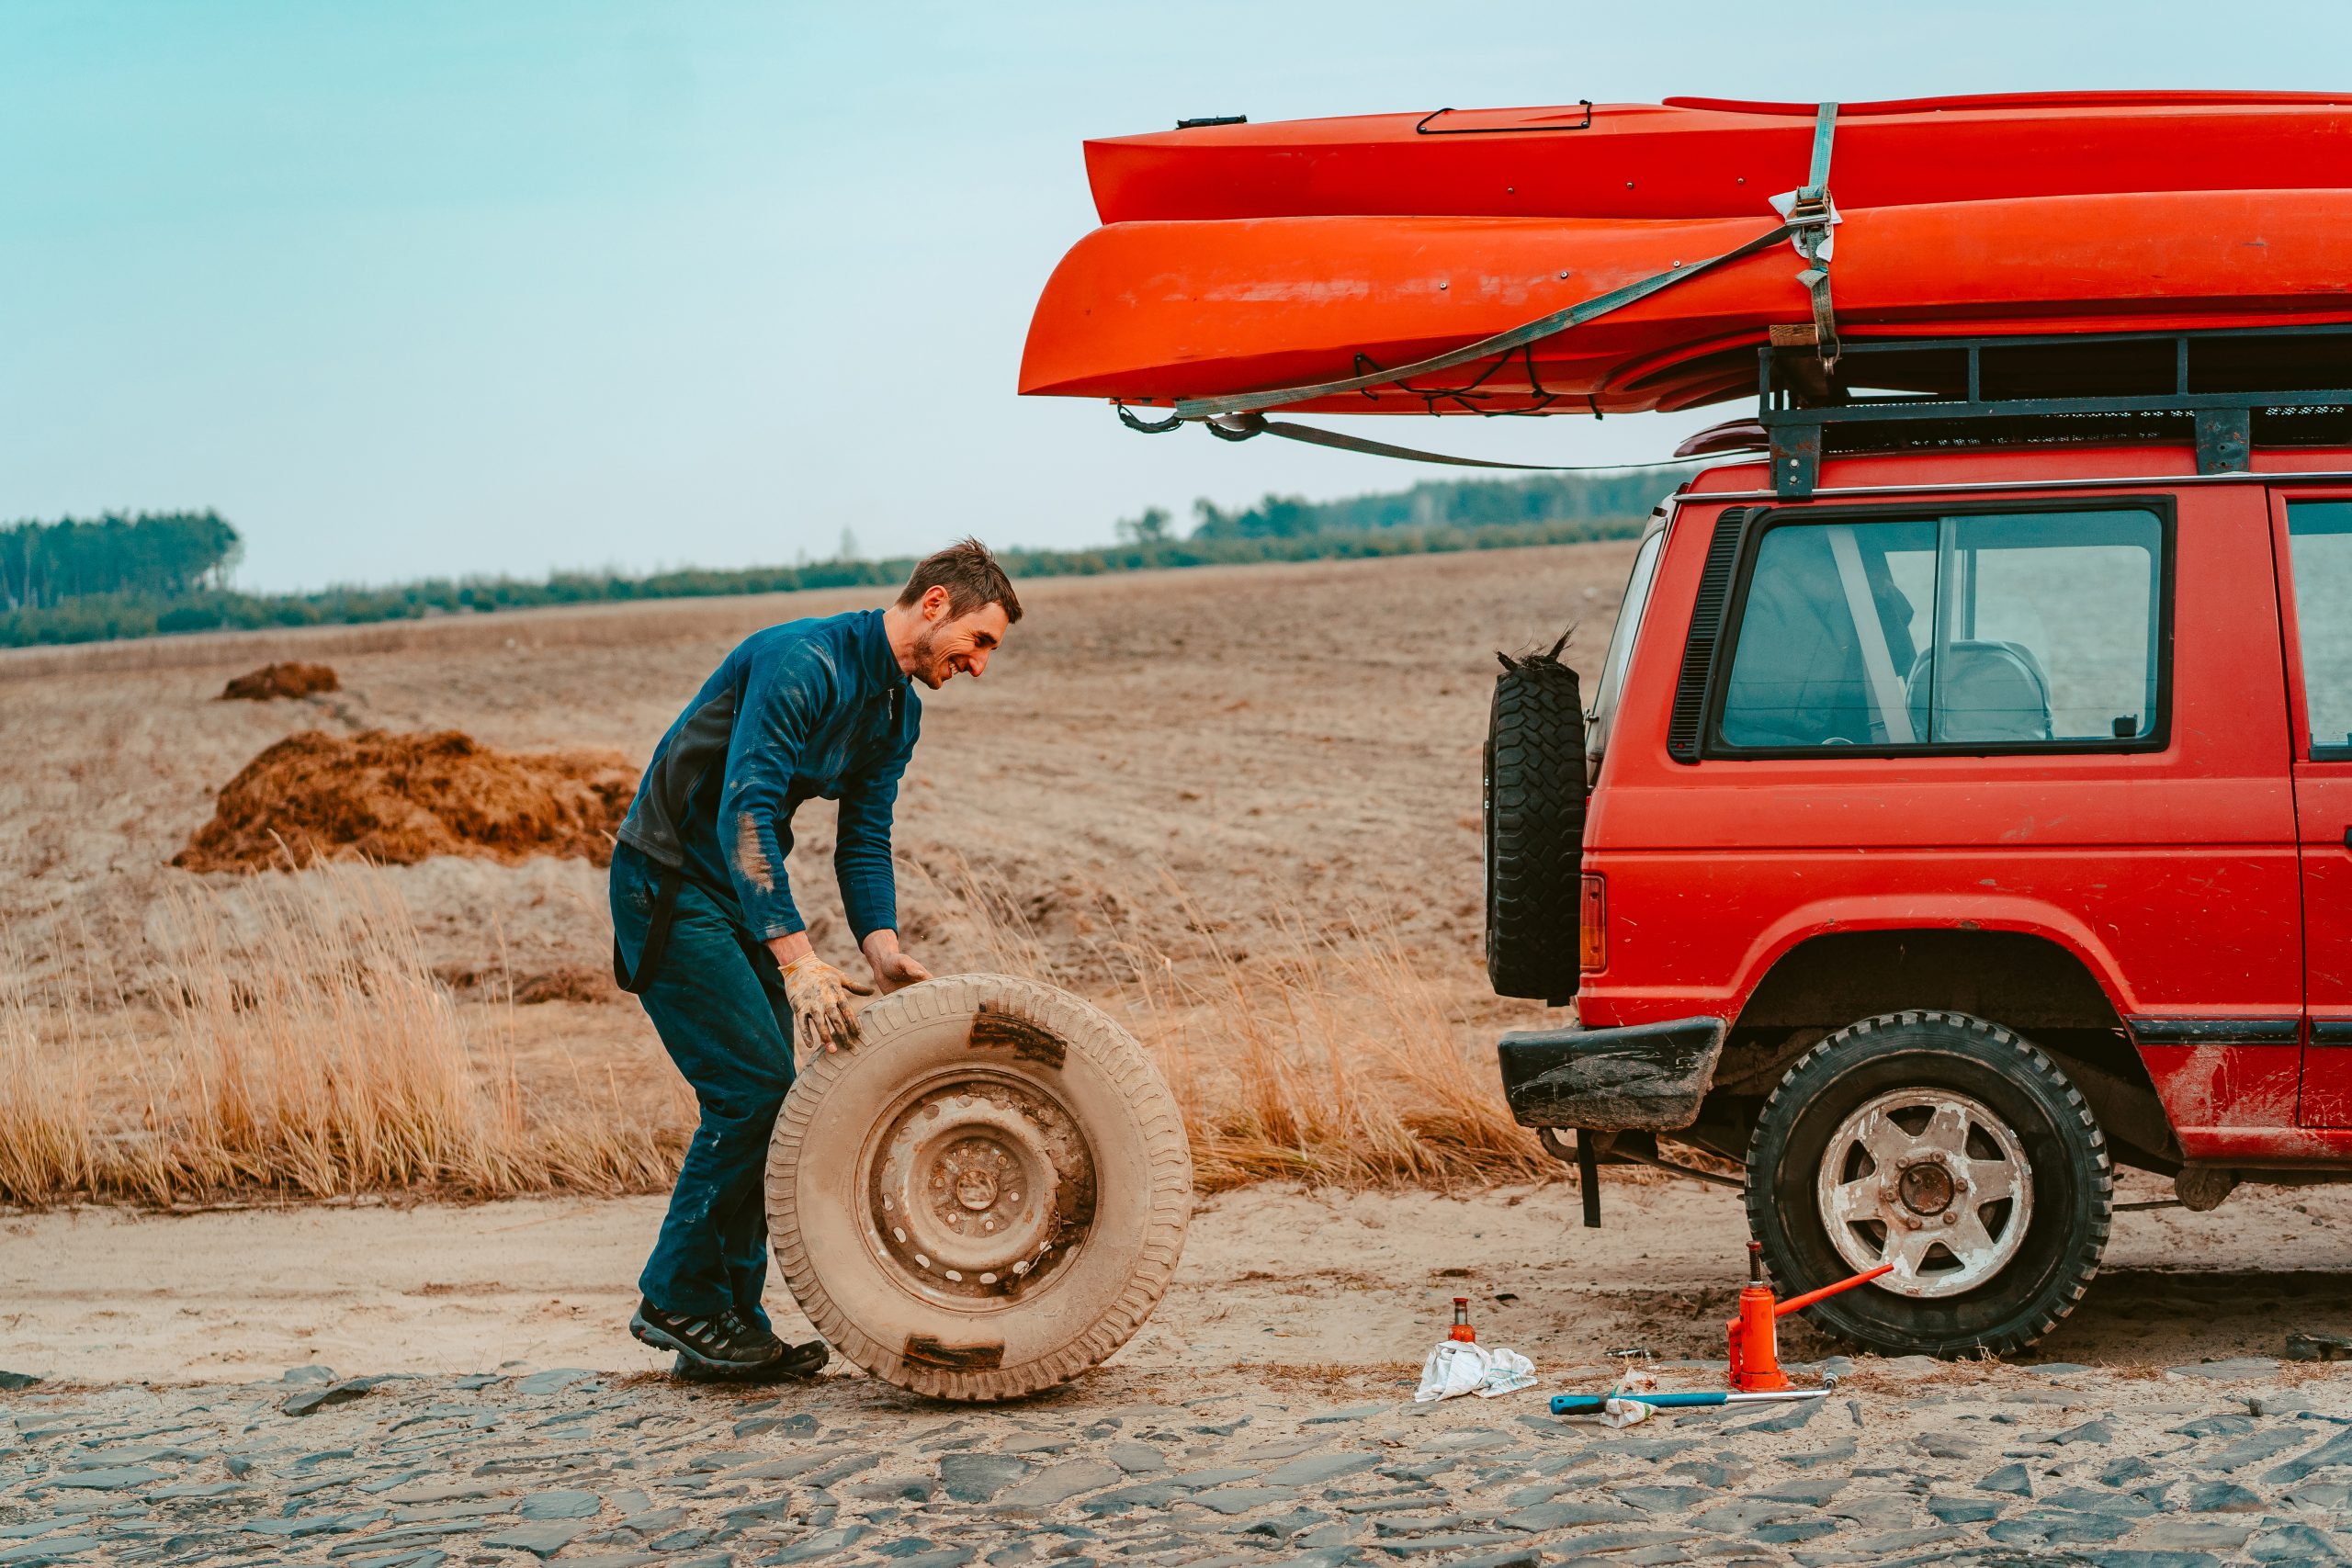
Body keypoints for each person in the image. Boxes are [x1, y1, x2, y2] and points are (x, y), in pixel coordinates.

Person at [607, 538, 1023, 1379]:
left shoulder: (896, 713)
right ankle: (677, 1297)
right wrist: (798, 958)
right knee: (752, 1090)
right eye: (979, 642)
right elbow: (747, 811)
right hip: (670, 883)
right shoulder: (803, 661)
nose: (979, 665)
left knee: (780, 1098)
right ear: (935, 604)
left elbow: (864, 838)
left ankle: (729, 1323)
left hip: (733, 894)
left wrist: (882, 948)